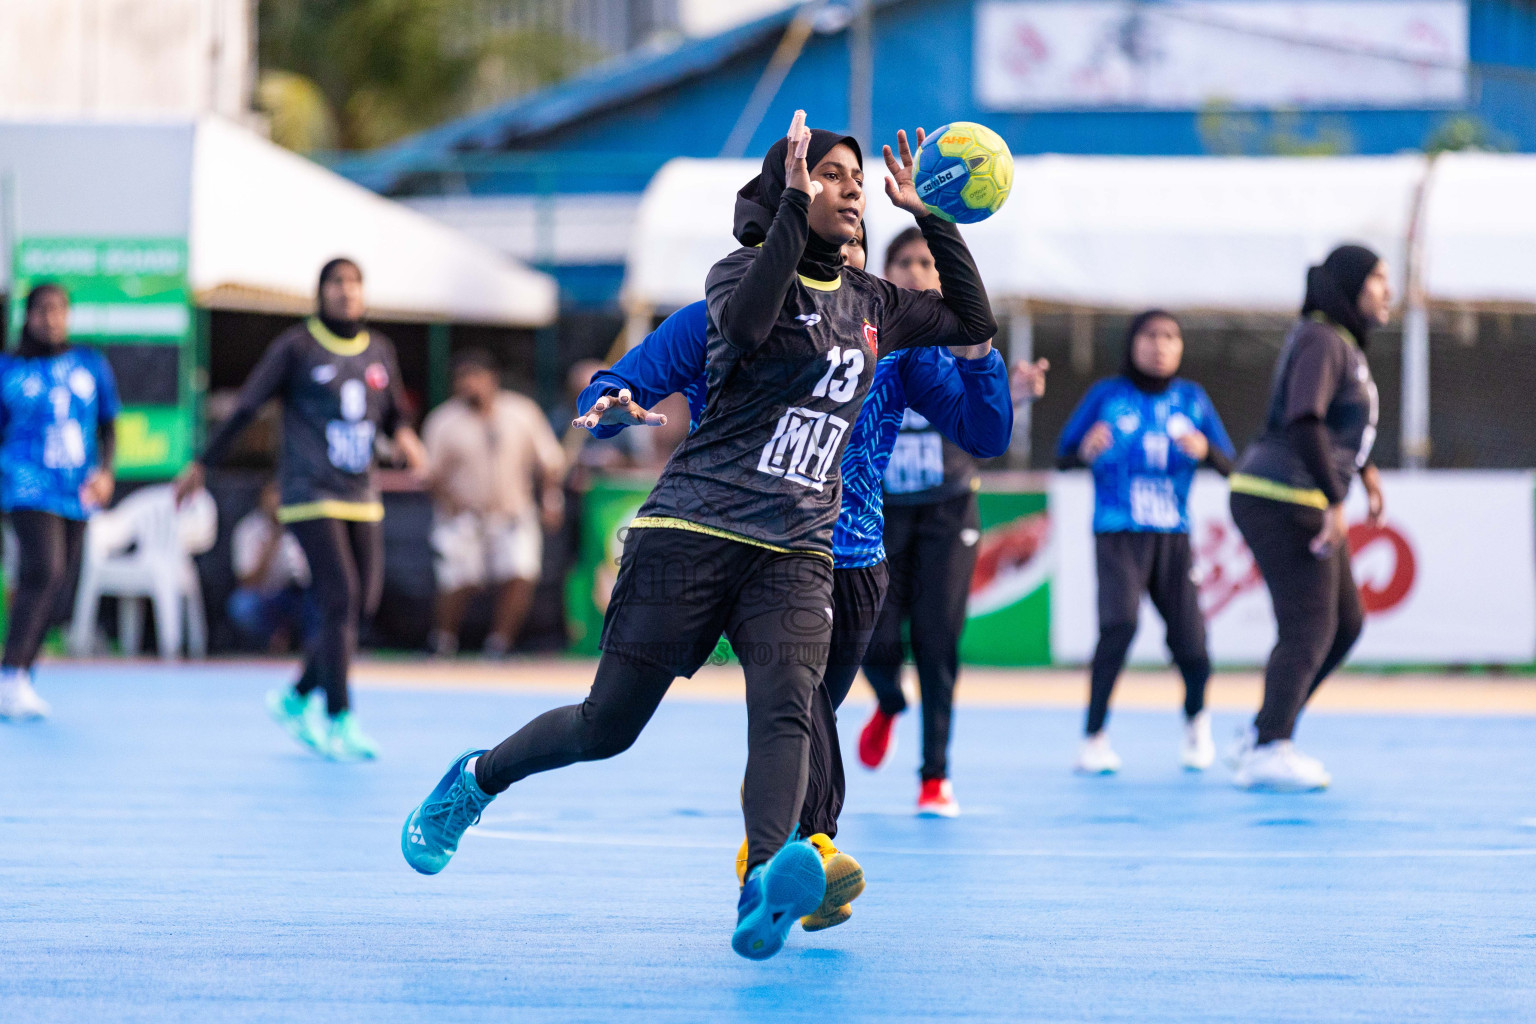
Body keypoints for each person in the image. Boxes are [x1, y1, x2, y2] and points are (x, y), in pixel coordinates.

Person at [400, 112, 997, 961]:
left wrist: (932, 213)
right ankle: (476, 779)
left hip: (797, 547)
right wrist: (792, 208)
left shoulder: (875, 304)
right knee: (606, 727)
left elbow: (974, 321)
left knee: (789, 709)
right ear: (786, 187)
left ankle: (760, 885)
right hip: (692, 533)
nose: (852, 186)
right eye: (830, 173)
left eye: (857, 176)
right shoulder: (740, 275)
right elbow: (750, 325)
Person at [571, 223, 1033, 930]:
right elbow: (635, 374)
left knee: (811, 716)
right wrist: (609, 400)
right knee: (800, 705)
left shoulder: (892, 346)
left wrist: (978, 355)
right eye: (829, 247)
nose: (840, 261)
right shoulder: (736, 323)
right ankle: (802, 849)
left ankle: (783, 853)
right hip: (762, 551)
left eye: (853, 250)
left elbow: (987, 431)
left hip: (857, 565)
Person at [175, 258, 427, 760]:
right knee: (340, 598)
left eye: (354, 282)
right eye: (336, 283)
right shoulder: (296, 347)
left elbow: (393, 415)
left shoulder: (379, 350)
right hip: (309, 490)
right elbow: (248, 405)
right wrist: (203, 463)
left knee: (361, 605)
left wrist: (406, 439)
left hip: (361, 493)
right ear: (320, 292)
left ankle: (295, 697)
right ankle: (339, 717)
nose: (346, 292)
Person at [856, 227, 1046, 816]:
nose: (915, 270)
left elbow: (985, 419)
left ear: (942, 278)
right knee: (874, 640)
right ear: (883, 272)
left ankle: (934, 776)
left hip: (948, 509)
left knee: (938, 643)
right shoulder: (862, 340)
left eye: (926, 262)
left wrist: (1015, 394)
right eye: (904, 261)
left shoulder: (956, 346)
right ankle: (888, 702)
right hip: (877, 513)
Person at [1226, 244, 1389, 791]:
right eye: (1377, 279)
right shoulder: (1323, 337)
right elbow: (1304, 417)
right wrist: (1336, 499)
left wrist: (1362, 471)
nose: (1386, 290)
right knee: (1310, 625)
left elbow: (1336, 423)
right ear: (1349, 286)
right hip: (1283, 494)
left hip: (1298, 492)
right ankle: (1270, 747)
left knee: (1345, 624)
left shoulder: (1339, 342)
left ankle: (1265, 731)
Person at [1054, 310, 1235, 774]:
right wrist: (1084, 451)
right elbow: (1063, 456)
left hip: (1173, 536)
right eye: (1150, 335)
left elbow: (1230, 464)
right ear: (1132, 343)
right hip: (1117, 532)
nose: (1160, 345)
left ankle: (1197, 724)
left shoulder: (1192, 400)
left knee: (1192, 644)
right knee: (1119, 626)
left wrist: (1206, 451)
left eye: (1171, 336)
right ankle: (1094, 738)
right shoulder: (1107, 397)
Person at [0, 284, 119, 720]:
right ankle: (10, 674)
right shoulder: (8, 369)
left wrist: (106, 472)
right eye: (42, 310)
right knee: (42, 570)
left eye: (59, 310)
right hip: (26, 484)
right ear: (27, 316)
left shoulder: (89, 363)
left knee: (60, 582)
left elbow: (109, 426)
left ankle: (22, 676)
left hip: (76, 490)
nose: (51, 319)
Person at [421, 349, 565, 658]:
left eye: (476, 377)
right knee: (458, 580)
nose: (469, 385)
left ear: (492, 379)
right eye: (462, 379)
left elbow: (550, 463)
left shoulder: (522, 411)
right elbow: (429, 474)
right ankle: (443, 642)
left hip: (513, 511)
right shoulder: (444, 420)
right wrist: (449, 502)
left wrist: (551, 500)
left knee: (521, 572)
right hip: (461, 514)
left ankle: (499, 645)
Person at [227, 479, 315, 653]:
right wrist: (272, 543)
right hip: (264, 597)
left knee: (320, 602)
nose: (277, 500)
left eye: (281, 494)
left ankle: (314, 650)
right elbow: (246, 582)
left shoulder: (305, 526)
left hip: (296, 596)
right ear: (263, 498)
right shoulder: (249, 528)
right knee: (241, 604)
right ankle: (270, 641)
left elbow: (315, 576)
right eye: (273, 494)